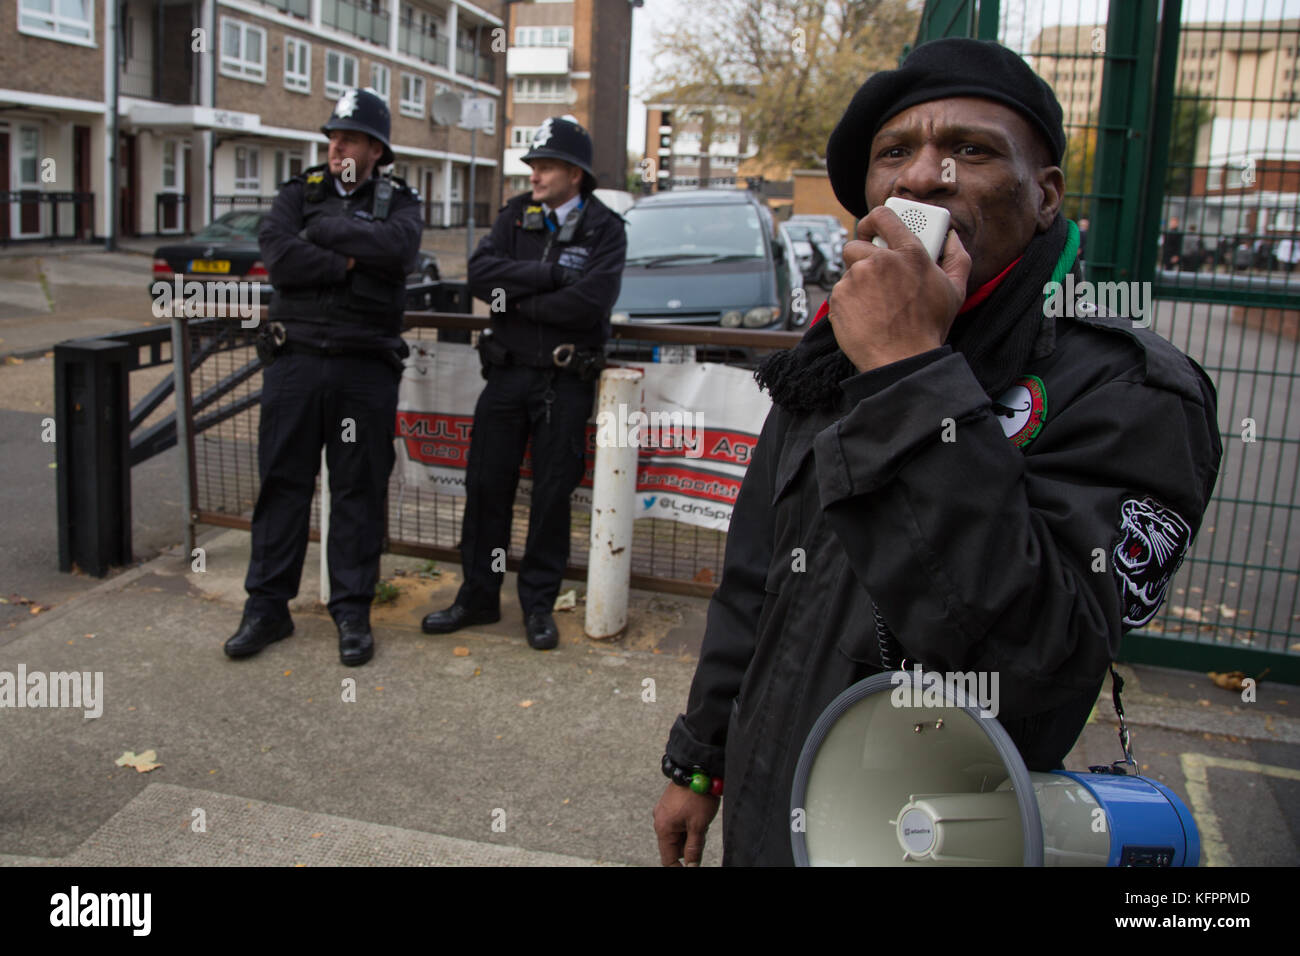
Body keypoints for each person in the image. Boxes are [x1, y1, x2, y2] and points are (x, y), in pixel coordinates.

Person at [652, 38, 1222, 866]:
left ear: (1046, 195)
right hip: (776, 808)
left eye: (971, 149)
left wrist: (909, 371)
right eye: (895, 154)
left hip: (931, 835)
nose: (923, 177)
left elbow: (1040, 662)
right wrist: (699, 763)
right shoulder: (833, 355)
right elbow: (756, 580)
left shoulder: (1124, 391)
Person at [224, 87, 422, 667]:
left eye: (351, 137)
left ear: (376, 149)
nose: (338, 144)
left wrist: (325, 236)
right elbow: (279, 257)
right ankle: (266, 607)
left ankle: (352, 609)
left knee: (358, 488)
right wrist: (355, 262)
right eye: (333, 136)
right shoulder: (298, 192)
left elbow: (400, 251)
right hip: (296, 361)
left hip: (365, 368)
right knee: (282, 483)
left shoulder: (402, 202)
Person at [420, 117, 628, 650]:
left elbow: (590, 305)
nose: (534, 174)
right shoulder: (516, 215)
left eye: (546, 166)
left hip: (565, 379)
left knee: (552, 496)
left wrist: (518, 300)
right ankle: (478, 597)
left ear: (575, 174)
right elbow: (480, 280)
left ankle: (538, 604)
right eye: (533, 165)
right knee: (487, 488)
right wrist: (551, 277)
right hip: (507, 375)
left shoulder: (606, 228)